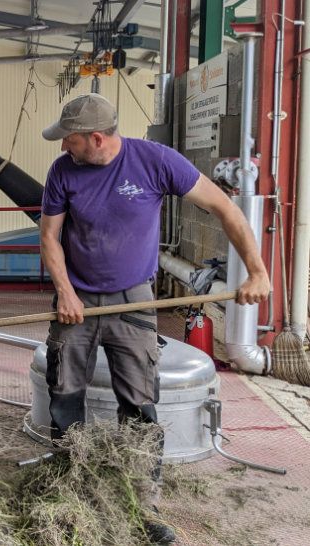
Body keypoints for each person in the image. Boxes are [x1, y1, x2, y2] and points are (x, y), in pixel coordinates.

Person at [39, 93, 270, 545]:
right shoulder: (62, 171)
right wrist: (65, 293)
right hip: (78, 301)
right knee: (64, 395)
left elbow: (225, 210)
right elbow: (50, 237)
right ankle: (70, 493)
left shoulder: (157, 162)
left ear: (96, 138)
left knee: (140, 405)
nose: (63, 146)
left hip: (133, 300)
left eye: (70, 140)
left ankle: (143, 504)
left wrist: (257, 270)